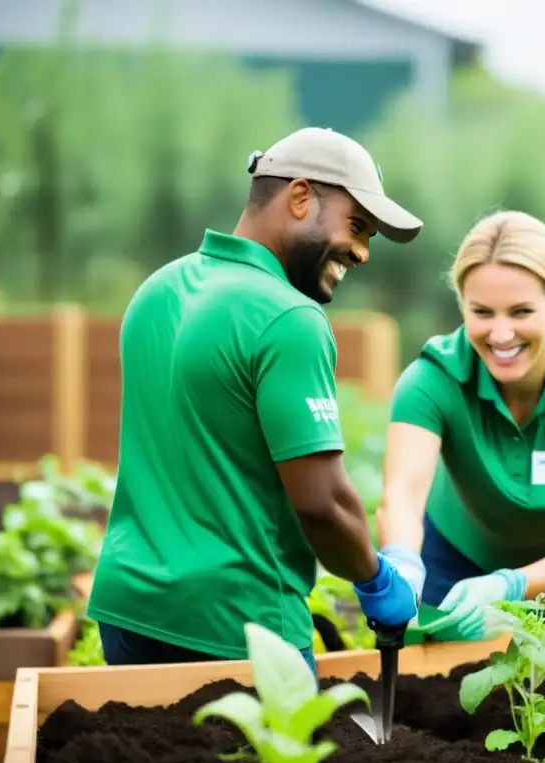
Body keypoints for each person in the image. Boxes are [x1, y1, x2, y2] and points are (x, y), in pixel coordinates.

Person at [87, 127, 425, 671]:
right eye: (357, 226)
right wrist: (375, 578)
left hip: (129, 610)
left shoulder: (159, 290)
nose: (362, 252)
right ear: (299, 197)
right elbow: (323, 504)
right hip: (240, 626)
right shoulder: (289, 318)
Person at [375, 210, 545, 641]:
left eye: (520, 311)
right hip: (462, 544)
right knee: (435, 688)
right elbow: (402, 495)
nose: (501, 334)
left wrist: (507, 586)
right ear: (461, 304)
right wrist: (403, 563)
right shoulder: (430, 381)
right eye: (481, 312)